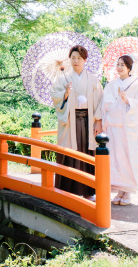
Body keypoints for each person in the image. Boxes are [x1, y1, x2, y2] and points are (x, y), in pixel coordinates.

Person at [51, 45, 104, 199]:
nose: (76, 61)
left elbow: (100, 101)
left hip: (88, 120)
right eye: (73, 58)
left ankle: (89, 191)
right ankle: (66, 192)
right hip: (70, 121)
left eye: (79, 58)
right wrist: (65, 93)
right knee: (70, 152)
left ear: (84, 60)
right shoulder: (63, 78)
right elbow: (55, 96)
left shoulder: (93, 80)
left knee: (87, 152)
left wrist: (98, 122)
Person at [102, 54, 138, 206]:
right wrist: (114, 104)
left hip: (129, 128)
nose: (119, 67)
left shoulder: (137, 85)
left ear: (129, 68)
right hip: (114, 127)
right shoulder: (111, 85)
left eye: (123, 65)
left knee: (128, 157)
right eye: (118, 64)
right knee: (116, 158)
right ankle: (120, 191)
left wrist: (127, 100)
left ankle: (127, 192)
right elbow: (105, 104)